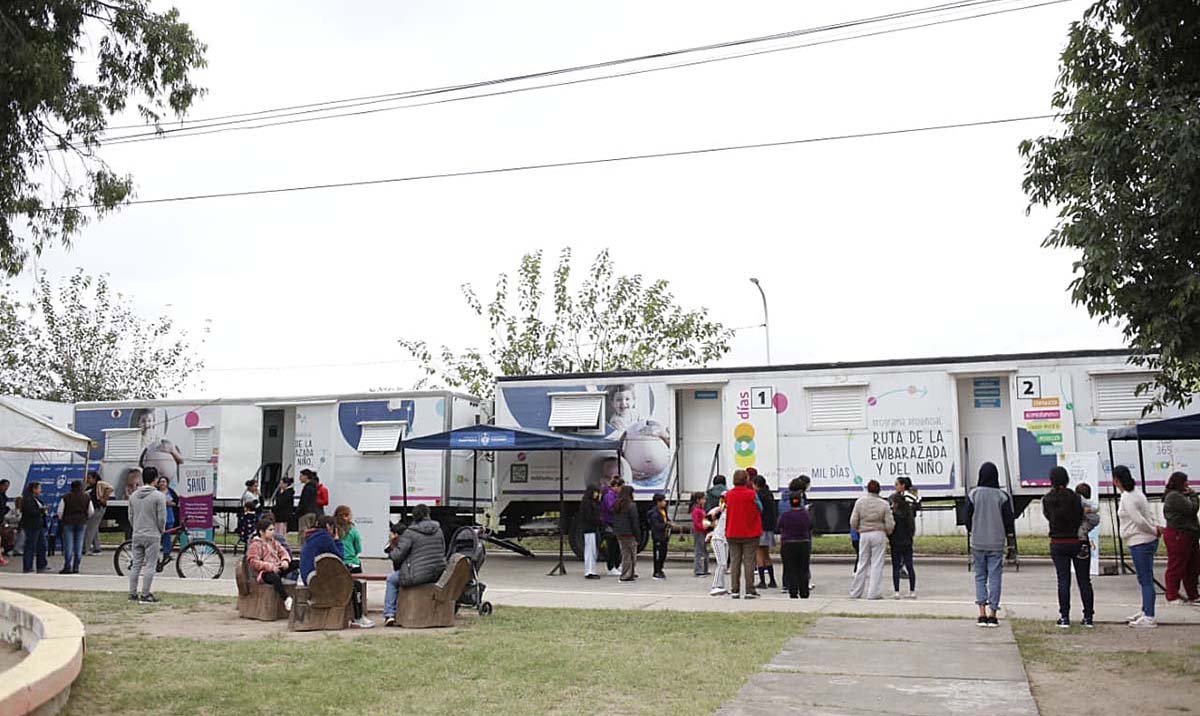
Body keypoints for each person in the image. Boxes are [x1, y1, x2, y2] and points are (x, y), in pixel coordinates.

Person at [1043, 466, 1094, 628]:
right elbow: (1084, 514)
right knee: (1084, 580)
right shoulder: (1075, 497)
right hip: (1078, 541)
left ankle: (1064, 616)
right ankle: (1088, 617)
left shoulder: (1047, 499)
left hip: (1058, 542)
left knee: (1063, 580)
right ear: (1066, 479)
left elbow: (1048, 517)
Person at [301, 515, 374, 628]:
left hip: (309, 578)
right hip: (318, 582)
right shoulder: (324, 537)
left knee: (351, 583)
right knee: (355, 585)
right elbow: (339, 556)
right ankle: (358, 618)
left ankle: (356, 617)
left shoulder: (311, 537)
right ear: (328, 526)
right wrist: (337, 540)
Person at [966, 462, 1015, 628]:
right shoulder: (1002, 496)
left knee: (980, 576)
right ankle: (993, 613)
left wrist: (973, 529)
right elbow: (1009, 521)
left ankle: (981, 613)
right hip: (996, 541)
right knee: (995, 577)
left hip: (978, 541)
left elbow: (967, 518)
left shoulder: (973, 494)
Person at [382, 505, 445, 627]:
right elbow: (443, 550)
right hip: (437, 573)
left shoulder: (410, 533)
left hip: (417, 576)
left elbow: (397, 556)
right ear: (428, 514)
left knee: (391, 579)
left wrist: (391, 550)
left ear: (414, 516)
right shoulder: (439, 530)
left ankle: (389, 614)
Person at [1114, 465, 1161, 628]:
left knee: (1145, 579)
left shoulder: (1127, 497)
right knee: (1145, 577)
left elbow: (1139, 520)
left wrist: (1153, 530)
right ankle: (1145, 609)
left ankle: (1149, 616)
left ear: (1116, 480)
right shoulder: (1136, 492)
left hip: (1140, 540)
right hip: (1143, 539)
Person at [849, 480, 894, 600]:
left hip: (864, 534)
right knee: (877, 563)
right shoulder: (884, 504)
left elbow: (853, 521)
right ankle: (873, 593)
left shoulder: (860, 502)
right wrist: (888, 531)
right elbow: (890, 523)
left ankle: (856, 592)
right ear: (879, 490)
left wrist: (858, 529)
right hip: (879, 533)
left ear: (868, 489)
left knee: (862, 562)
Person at [127, 467, 166, 603]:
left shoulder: (133, 496)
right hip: (152, 534)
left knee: (136, 565)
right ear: (155, 479)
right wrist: (161, 530)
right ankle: (145, 593)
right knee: (150, 565)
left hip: (137, 533)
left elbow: (130, 516)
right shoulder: (159, 496)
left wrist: (136, 527)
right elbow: (161, 517)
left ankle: (132, 593)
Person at [1162, 471, 1200, 606]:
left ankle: (1193, 594)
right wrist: (1193, 495)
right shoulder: (1174, 496)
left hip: (1189, 534)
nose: (1188, 483)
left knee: (1192, 566)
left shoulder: (1180, 495)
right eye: (1185, 481)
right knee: (1177, 565)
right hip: (1178, 535)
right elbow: (1191, 508)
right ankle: (1172, 594)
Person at [724, 469, 763, 599]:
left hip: (732, 531)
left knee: (735, 561)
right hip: (750, 532)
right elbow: (760, 508)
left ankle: (735, 589)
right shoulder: (752, 494)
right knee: (749, 561)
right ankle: (749, 589)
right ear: (747, 480)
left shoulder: (728, 495)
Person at [247, 515, 294, 610]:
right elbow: (253, 562)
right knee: (274, 578)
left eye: (273, 530)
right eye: (270, 530)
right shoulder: (255, 545)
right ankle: (286, 599)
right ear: (262, 532)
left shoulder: (274, 542)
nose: (273, 532)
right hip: (263, 573)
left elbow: (283, 552)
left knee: (296, 563)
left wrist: (285, 560)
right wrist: (270, 567)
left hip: (277, 568)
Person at [777, 491, 812, 599]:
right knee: (803, 569)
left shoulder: (785, 515)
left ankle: (793, 591)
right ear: (800, 501)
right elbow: (810, 526)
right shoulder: (805, 514)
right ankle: (804, 592)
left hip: (788, 544)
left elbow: (779, 525)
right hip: (803, 543)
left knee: (790, 569)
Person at [56, 480, 92, 574]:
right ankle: (76, 567)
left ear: (71, 487)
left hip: (68, 522)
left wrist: (62, 519)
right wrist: (85, 517)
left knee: (68, 545)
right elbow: (91, 511)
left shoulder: (66, 497)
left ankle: (67, 566)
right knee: (79, 545)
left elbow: (60, 512)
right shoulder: (86, 497)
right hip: (81, 522)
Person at [889, 482, 917, 599]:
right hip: (907, 542)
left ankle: (897, 591)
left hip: (896, 543)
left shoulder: (894, 515)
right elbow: (912, 528)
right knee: (910, 565)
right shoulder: (908, 513)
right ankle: (912, 590)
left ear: (896, 503)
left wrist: (890, 538)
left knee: (896, 567)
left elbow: (890, 528)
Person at [753, 474, 778, 590]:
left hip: (760, 527)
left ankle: (762, 581)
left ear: (756, 485)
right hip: (769, 528)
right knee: (766, 554)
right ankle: (772, 580)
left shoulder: (757, 496)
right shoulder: (769, 494)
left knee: (759, 554)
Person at [612, 485, 641, 582]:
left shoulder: (617, 504)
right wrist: (638, 535)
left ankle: (625, 573)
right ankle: (628, 574)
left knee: (625, 554)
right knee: (632, 555)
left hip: (620, 533)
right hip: (629, 533)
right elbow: (634, 522)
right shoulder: (631, 506)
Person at [20, 482, 50, 574]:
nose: (40, 490)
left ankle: (41, 565)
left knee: (42, 545)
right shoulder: (28, 500)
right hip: (31, 526)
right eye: (39, 488)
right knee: (30, 546)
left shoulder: (36, 499)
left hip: (39, 525)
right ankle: (27, 566)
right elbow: (31, 512)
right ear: (34, 489)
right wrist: (41, 510)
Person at [84, 470, 111, 555]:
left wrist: (104, 499)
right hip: (92, 508)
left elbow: (110, 488)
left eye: (89, 478)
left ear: (94, 478)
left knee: (90, 528)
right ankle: (97, 548)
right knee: (94, 528)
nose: (87, 480)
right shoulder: (89, 487)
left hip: (98, 508)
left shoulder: (99, 484)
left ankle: (85, 548)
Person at [600, 475, 623, 576]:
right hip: (609, 523)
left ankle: (617, 564)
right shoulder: (609, 495)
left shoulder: (615, 495)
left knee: (617, 546)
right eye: (621, 487)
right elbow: (611, 508)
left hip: (615, 523)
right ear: (616, 486)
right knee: (611, 546)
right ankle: (611, 566)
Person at [578, 486, 602, 579]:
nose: (597, 494)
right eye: (595, 492)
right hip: (589, 529)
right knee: (590, 550)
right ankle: (589, 571)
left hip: (592, 529)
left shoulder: (592, 502)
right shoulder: (587, 503)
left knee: (592, 550)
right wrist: (598, 521)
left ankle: (592, 570)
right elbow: (589, 517)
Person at [647, 492, 672, 580]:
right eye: (663, 501)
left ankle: (660, 569)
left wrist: (669, 522)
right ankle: (656, 571)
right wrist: (666, 525)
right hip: (658, 536)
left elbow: (666, 519)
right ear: (658, 502)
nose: (665, 503)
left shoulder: (663, 511)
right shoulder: (654, 513)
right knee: (658, 554)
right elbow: (656, 525)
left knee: (663, 554)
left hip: (664, 536)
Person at [707, 496, 729, 596]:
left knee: (724, 564)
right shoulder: (717, 510)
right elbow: (706, 522)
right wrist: (710, 533)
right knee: (721, 563)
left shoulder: (730, 511)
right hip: (717, 538)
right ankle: (715, 586)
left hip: (726, 539)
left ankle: (721, 585)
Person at [334, 505, 363, 574]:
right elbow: (358, 549)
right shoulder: (353, 531)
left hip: (338, 563)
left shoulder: (333, 531)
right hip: (353, 564)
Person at [1075, 483, 1101, 561]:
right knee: (1082, 531)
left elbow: (1096, 507)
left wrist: (1089, 510)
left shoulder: (1083, 500)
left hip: (1090, 519)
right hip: (1086, 519)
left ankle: (1083, 548)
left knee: (1081, 531)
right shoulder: (1080, 500)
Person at [158, 476, 179, 560]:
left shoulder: (171, 492)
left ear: (167, 483)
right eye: (160, 482)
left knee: (167, 535)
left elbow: (176, 503)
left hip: (169, 517)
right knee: (159, 536)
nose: (162, 483)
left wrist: (169, 503)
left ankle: (166, 553)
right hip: (159, 517)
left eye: (164, 482)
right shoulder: (156, 492)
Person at [690, 491, 708, 577]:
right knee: (699, 551)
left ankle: (704, 569)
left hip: (703, 531)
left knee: (704, 550)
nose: (704, 501)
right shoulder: (696, 510)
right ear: (698, 500)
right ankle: (698, 570)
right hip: (699, 532)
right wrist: (704, 527)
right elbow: (697, 523)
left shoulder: (701, 509)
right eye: (703, 499)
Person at [297, 469, 320, 534]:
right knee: (311, 532)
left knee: (303, 532)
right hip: (313, 512)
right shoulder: (314, 486)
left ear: (306, 476)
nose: (299, 478)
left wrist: (298, 511)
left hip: (305, 513)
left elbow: (304, 501)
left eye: (301, 476)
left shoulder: (307, 488)